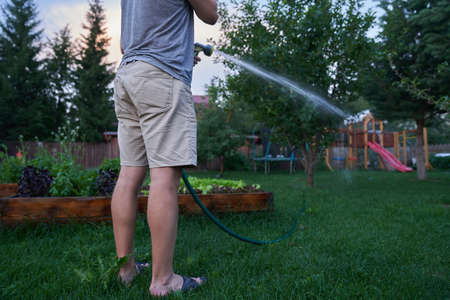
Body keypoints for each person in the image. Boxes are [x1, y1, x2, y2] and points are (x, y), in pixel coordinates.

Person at [111, 0, 218, 297]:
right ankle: (163, 280)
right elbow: (210, 13)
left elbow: (125, 44)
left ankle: (126, 270)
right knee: (164, 180)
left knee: (128, 177)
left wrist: (181, 49)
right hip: (162, 78)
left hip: (129, 75)